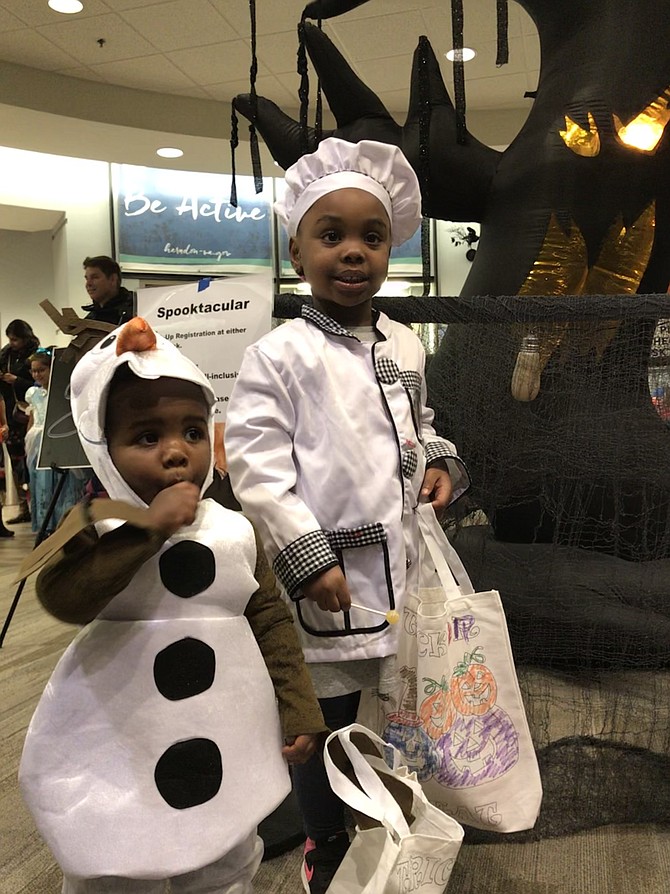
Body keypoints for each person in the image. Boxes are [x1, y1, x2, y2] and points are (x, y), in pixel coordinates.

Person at [224, 137, 471, 894]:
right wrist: (307, 557)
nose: (353, 252)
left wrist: (438, 461)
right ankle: (323, 837)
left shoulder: (404, 343)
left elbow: (418, 423)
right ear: (297, 252)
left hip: (401, 571)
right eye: (331, 236)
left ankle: (381, 815)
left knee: (394, 707)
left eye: (371, 236)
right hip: (327, 580)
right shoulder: (279, 356)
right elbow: (257, 470)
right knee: (318, 720)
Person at [19, 317, 327, 894]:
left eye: (191, 431)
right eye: (145, 437)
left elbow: (268, 619)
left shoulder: (234, 528)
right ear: (101, 446)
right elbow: (63, 598)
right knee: (115, 847)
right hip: (118, 727)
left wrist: (298, 706)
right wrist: (143, 532)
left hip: (223, 723)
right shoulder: (96, 523)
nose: (175, 453)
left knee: (226, 844)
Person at [24, 348, 87, 539]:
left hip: (57, 440)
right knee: (41, 484)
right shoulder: (33, 393)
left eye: (41, 370)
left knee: (63, 484)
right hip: (37, 443)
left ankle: (65, 522)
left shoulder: (63, 392)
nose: (37, 375)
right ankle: (46, 524)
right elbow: (33, 418)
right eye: (34, 371)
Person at [0, 319, 40, 524]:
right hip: (11, 414)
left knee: (31, 463)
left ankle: (37, 507)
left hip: (31, 413)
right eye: (10, 339)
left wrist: (16, 380)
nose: (12, 343)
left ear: (25, 337)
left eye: (15, 339)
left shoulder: (36, 354)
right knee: (16, 465)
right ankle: (24, 508)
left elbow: (39, 383)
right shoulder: (6, 354)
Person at [82, 255, 135, 325]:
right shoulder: (91, 319)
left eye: (95, 277)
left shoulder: (136, 312)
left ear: (113, 279)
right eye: (87, 278)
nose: (88, 284)